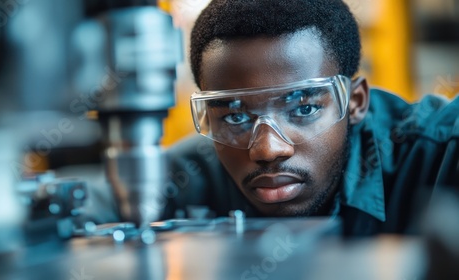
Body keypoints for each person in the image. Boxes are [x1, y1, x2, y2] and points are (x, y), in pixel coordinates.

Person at [162, 0, 459, 236]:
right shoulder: (175, 179)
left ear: (355, 102)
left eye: (304, 109)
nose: (268, 150)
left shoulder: (442, 151)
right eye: (235, 117)